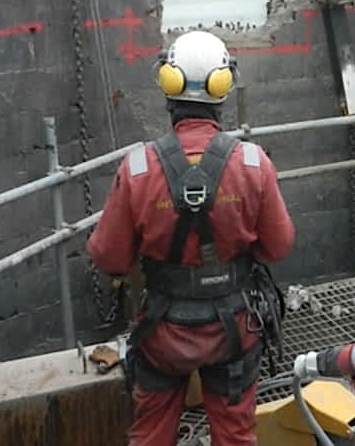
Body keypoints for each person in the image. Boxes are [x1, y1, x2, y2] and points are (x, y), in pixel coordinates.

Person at [88, 30, 295, 446]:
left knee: (150, 435)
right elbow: (278, 247)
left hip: (163, 333)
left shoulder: (138, 169)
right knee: (236, 435)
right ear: (223, 88)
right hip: (233, 331)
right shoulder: (254, 164)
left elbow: (109, 258)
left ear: (169, 87)